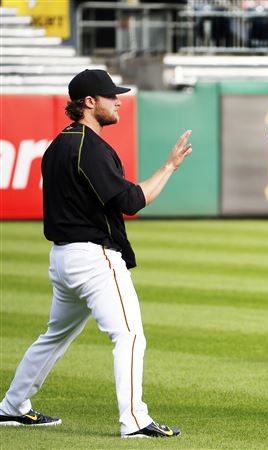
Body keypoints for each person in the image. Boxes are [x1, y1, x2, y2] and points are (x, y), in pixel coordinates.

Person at [0, 69, 192, 438]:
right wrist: (169, 167)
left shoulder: (58, 145)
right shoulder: (89, 146)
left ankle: (12, 407)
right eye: (110, 95)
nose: (118, 100)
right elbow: (132, 201)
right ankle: (134, 420)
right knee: (130, 335)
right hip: (93, 260)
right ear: (89, 102)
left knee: (55, 335)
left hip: (63, 258)